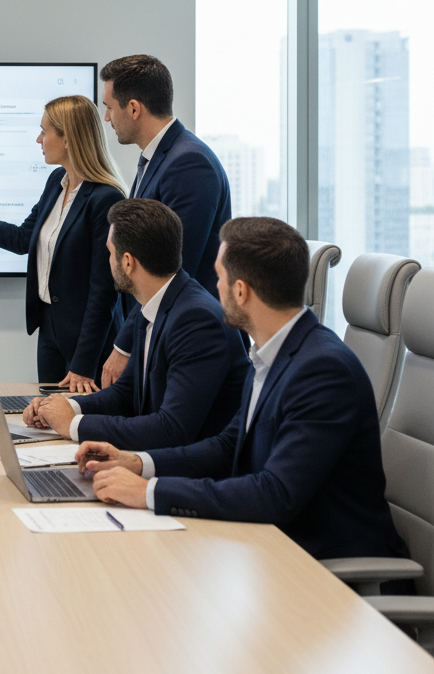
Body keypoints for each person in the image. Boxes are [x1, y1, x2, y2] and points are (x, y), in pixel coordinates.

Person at [80, 217, 411, 563]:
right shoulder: (272, 352)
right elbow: (228, 445)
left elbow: (275, 494)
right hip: (268, 545)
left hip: (324, 566)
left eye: (219, 277)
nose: (214, 288)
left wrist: (150, 491)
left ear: (241, 291)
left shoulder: (323, 371)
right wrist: (138, 463)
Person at [0, 95, 125, 389]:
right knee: (47, 412)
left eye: (44, 131)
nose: (39, 139)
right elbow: (22, 239)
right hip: (50, 330)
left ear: (68, 139)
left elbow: (103, 292)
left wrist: (83, 365)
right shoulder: (56, 182)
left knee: (80, 415)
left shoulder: (105, 198)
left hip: (87, 342)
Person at [23, 198, 247, 449]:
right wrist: (66, 407)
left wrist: (73, 425)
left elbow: (171, 430)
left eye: (110, 253)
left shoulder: (196, 321)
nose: (108, 260)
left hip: (192, 467)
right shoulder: (154, 302)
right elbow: (126, 392)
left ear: (128, 262)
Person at [98, 55, 232, 390]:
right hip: (163, 331)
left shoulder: (188, 163)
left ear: (133, 108)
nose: (107, 118)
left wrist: (124, 345)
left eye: (109, 108)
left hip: (190, 340)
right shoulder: (157, 158)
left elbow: (171, 269)